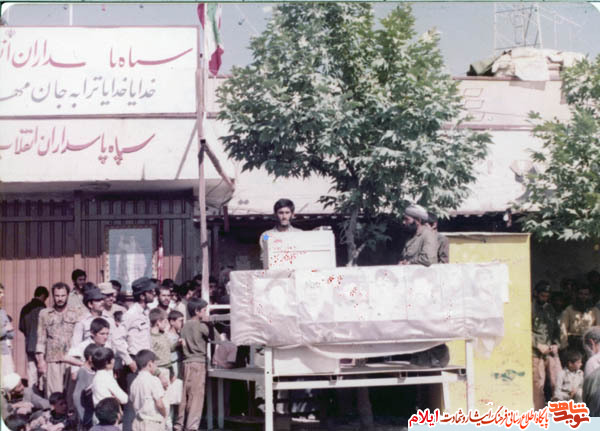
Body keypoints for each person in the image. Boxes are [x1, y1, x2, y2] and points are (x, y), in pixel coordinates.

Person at [36, 282, 85, 397]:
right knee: (54, 395)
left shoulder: (78, 312)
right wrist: (41, 361)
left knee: (71, 395)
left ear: (68, 295)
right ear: (53, 296)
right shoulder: (44, 314)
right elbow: (41, 338)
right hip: (53, 359)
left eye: (63, 295)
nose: (60, 299)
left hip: (72, 359)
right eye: (57, 296)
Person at [174, 298, 212, 431]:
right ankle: (192, 426)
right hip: (199, 363)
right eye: (204, 310)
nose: (206, 313)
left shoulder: (184, 326)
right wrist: (210, 324)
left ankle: (179, 423)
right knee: (196, 397)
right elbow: (216, 338)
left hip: (186, 362)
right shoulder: (201, 326)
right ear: (197, 311)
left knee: (184, 395)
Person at [532, 280, 562, 409]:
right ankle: (538, 413)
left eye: (547, 296)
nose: (544, 298)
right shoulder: (530, 308)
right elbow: (524, 331)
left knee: (557, 382)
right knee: (538, 384)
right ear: (536, 293)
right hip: (536, 353)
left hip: (550, 352)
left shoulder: (550, 309)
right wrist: (537, 344)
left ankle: (558, 412)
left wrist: (556, 344)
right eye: (542, 295)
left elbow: (556, 330)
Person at [18, 286, 49, 388]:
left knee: (31, 369)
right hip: (40, 345)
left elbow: (21, 327)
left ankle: (31, 392)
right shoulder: (43, 309)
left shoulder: (25, 308)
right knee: (43, 369)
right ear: (43, 296)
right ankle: (42, 391)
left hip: (29, 344)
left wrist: (29, 334)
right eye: (45, 298)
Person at [129, 350, 167, 431]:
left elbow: (132, 401)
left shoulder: (134, 383)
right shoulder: (153, 380)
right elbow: (159, 404)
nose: (156, 367)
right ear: (150, 364)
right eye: (155, 364)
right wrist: (164, 414)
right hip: (152, 422)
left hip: (138, 422)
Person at [259, 198, 303, 268]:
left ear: (292, 215)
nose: (284, 217)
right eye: (281, 213)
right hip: (275, 272)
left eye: (287, 213)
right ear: (275, 215)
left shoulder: (300, 234)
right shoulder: (266, 235)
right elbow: (264, 258)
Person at [559, 285, 600, 355]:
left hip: (590, 344)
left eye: (586, 294)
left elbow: (598, 328)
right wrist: (564, 346)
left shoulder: (595, 311)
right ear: (577, 295)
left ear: (589, 296)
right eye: (581, 294)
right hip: (573, 343)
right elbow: (563, 328)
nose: (583, 296)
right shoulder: (569, 309)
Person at [73, 343, 100, 430]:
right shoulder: (83, 371)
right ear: (90, 358)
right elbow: (77, 396)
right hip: (86, 417)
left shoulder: (94, 370)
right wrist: (83, 416)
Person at [149, 308, 171, 379]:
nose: (166, 324)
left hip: (167, 368)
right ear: (158, 322)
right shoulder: (150, 338)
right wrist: (158, 373)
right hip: (158, 370)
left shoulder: (163, 334)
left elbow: (168, 348)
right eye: (165, 322)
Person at [0, 282, 16, 376]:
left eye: (2, 292)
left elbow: (11, 334)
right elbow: (7, 329)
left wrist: (9, 330)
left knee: (8, 379)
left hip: (5, 351)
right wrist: (5, 329)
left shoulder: (2, 312)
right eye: (0, 292)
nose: (2, 295)